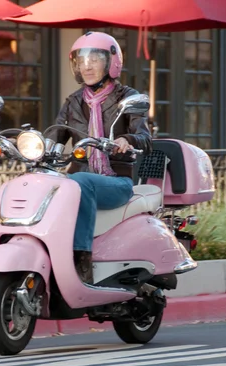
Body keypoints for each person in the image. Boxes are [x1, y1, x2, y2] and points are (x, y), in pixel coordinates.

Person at [45, 31, 153, 285]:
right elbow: (56, 135)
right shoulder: (72, 102)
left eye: (94, 59)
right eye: (81, 61)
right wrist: (38, 148)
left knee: (80, 181)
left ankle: (81, 260)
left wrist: (128, 140)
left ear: (111, 62)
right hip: (80, 178)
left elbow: (145, 139)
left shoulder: (127, 97)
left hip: (116, 182)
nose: (87, 66)